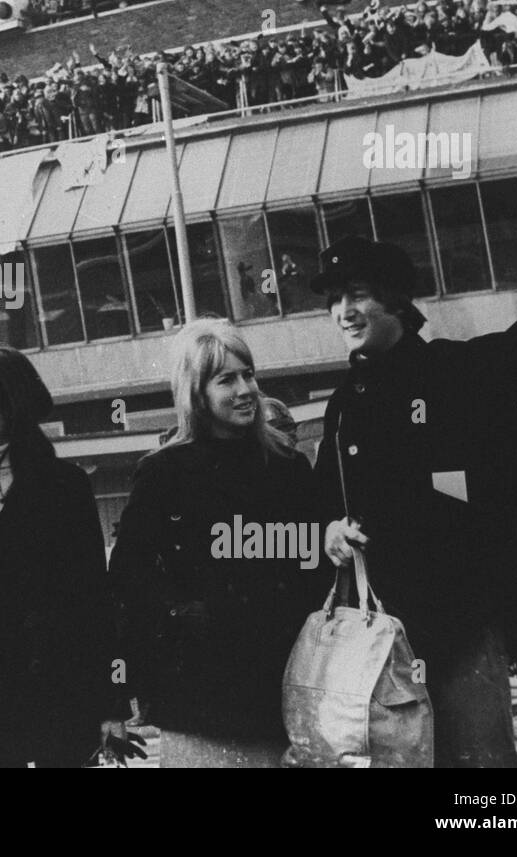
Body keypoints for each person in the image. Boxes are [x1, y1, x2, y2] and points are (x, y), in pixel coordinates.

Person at [315, 159, 517, 767]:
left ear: (396, 303)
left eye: (358, 296)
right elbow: (322, 503)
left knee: (481, 779)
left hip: (459, 630)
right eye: (335, 300)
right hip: (377, 637)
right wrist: (328, 530)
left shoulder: (454, 373)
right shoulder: (343, 405)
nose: (344, 311)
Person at [109, 319, 324, 767]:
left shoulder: (287, 467)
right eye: (227, 379)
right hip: (200, 702)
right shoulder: (163, 474)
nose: (246, 389)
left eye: (249, 374)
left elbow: (313, 568)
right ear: (196, 392)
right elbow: (129, 580)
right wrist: (183, 615)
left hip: (286, 691)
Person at [0, 346, 126, 767]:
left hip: (59, 695)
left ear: (14, 401)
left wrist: (111, 705)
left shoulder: (65, 487)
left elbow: (93, 599)